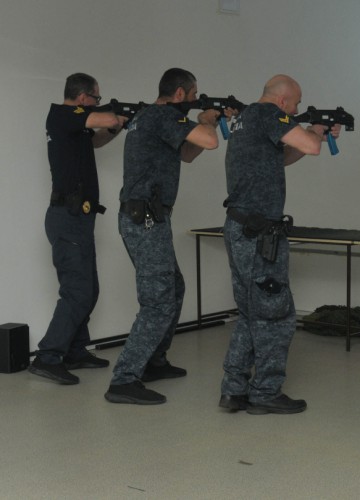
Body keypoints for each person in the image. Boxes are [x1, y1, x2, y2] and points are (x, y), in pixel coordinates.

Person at [218, 74, 340, 415]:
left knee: (250, 313)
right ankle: (265, 392)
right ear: (283, 101)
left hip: (241, 227)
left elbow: (282, 157)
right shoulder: (270, 113)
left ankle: (233, 390)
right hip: (259, 235)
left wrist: (314, 133)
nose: (296, 110)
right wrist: (317, 132)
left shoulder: (246, 118)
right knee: (276, 315)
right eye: (296, 104)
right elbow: (311, 147)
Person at [105, 68, 221, 405]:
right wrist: (207, 120)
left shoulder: (149, 118)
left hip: (148, 217)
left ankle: (154, 361)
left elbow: (187, 153)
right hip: (144, 219)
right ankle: (124, 380)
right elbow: (209, 141)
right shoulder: (161, 115)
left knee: (174, 287)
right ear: (180, 93)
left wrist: (206, 124)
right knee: (158, 301)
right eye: (194, 93)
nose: (195, 99)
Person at [30, 73, 127, 385]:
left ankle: (75, 350)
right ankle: (47, 357)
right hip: (67, 218)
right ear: (83, 98)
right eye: (96, 98)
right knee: (77, 291)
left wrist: (116, 126)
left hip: (79, 220)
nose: (98, 102)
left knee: (89, 289)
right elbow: (103, 118)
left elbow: (97, 139)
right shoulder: (62, 114)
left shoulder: (77, 126)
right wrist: (114, 114)